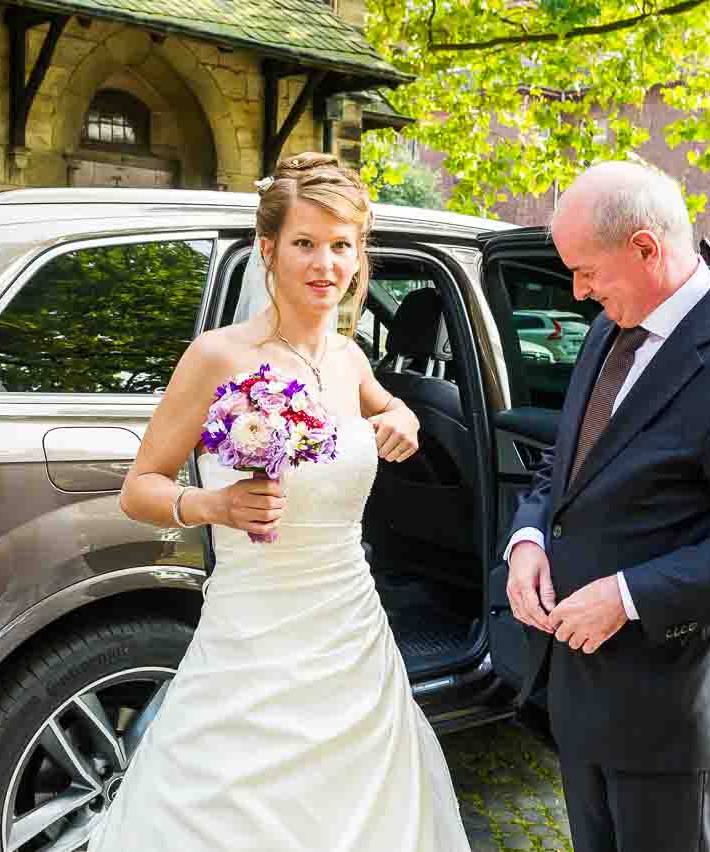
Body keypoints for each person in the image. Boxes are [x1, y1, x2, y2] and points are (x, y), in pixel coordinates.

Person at [90, 152, 472, 851]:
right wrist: (214, 506)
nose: (324, 264)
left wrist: (403, 419)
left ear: (360, 255)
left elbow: (389, 410)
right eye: (304, 243)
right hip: (251, 636)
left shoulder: (352, 360)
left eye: (340, 246)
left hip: (351, 632)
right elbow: (138, 489)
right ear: (268, 249)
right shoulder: (218, 357)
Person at [504, 161, 710, 852]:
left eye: (587, 271)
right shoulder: (609, 328)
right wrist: (528, 537)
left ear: (646, 248)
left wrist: (628, 595)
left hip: (666, 711)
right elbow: (567, 465)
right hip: (578, 694)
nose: (577, 291)